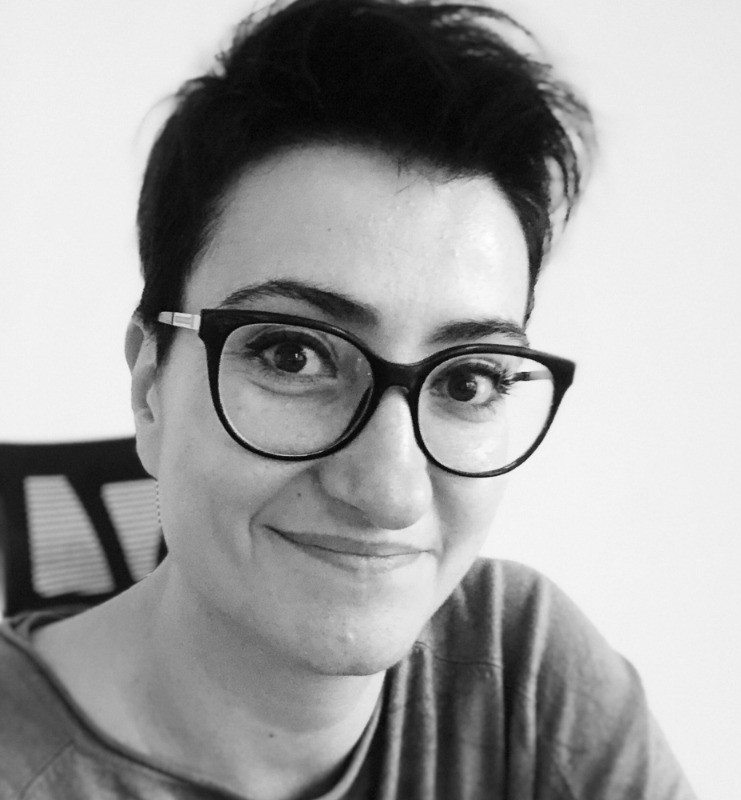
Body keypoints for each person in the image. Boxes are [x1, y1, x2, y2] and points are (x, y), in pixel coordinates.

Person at [0, 0, 697, 797]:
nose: (389, 492)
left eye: (467, 380)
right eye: (292, 355)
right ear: (151, 387)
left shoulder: (521, 677)